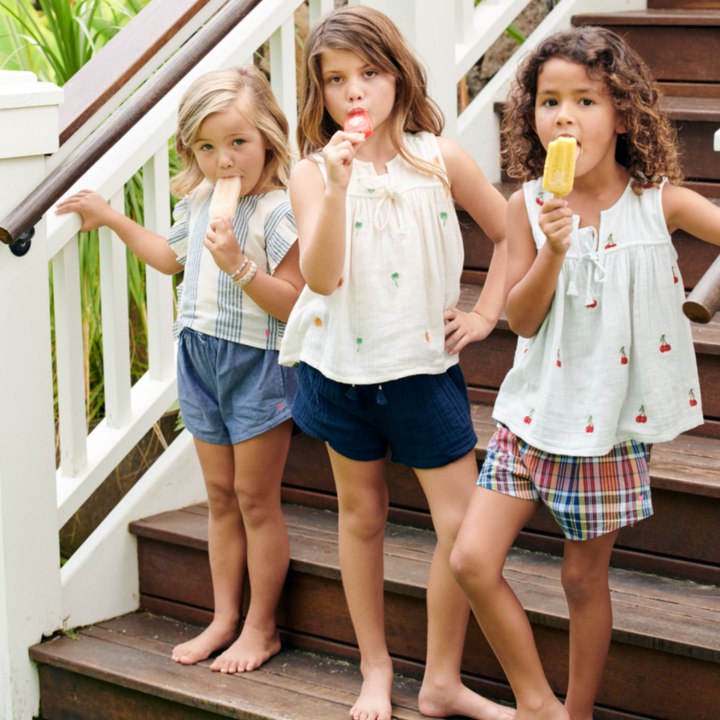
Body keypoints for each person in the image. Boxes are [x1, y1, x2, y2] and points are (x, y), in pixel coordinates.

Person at [450, 26, 720, 720]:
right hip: (530, 413)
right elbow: (524, 319)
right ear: (531, 116)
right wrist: (553, 250)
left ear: (623, 112)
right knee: (472, 562)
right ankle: (538, 703)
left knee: (581, 578)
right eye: (548, 101)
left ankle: (577, 712)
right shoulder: (528, 206)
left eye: (585, 101)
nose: (563, 116)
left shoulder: (662, 205)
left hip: (608, 425)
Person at [278, 7, 511, 720]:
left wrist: (484, 313)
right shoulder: (313, 174)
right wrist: (340, 189)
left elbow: (510, 233)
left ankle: (441, 679)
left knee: (463, 532)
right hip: (340, 373)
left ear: (399, 76)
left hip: (423, 370)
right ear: (317, 94)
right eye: (336, 80)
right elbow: (321, 278)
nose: (355, 93)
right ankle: (374, 668)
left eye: (369, 74)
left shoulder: (441, 157)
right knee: (362, 517)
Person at [56, 66, 304, 675]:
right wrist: (112, 218)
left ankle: (261, 625)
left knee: (254, 498)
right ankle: (223, 617)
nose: (224, 160)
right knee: (219, 496)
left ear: (268, 136)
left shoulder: (278, 210)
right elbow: (170, 260)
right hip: (199, 355)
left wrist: (239, 264)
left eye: (238, 143)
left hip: (258, 362)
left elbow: (294, 300)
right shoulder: (197, 203)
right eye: (208, 147)